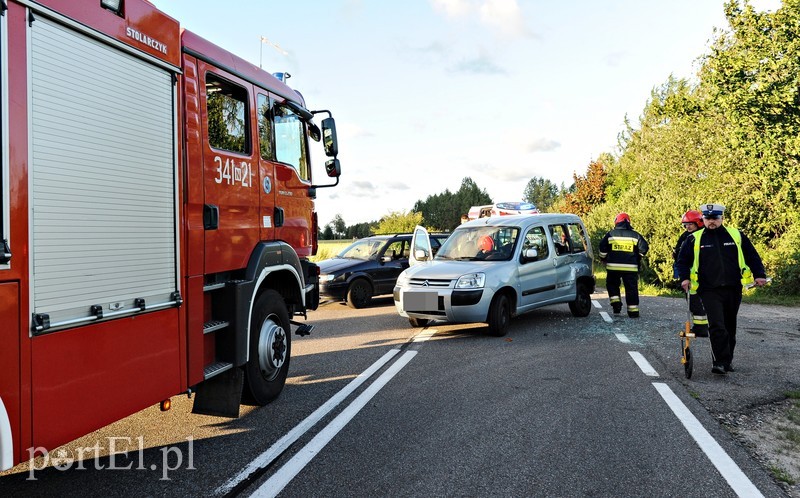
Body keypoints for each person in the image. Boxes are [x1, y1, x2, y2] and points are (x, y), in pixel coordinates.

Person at [676, 203, 767, 375]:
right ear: (703, 219)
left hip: (733, 288)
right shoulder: (694, 239)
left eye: (715, 218)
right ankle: (719, 362)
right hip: (708, 289)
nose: (712, 221)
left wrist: (759, 274)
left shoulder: (736, 235)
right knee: (717, 325)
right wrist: (684, 278)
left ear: (722, 218)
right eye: (708, 218)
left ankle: (727, 361)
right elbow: (682, 262)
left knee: (729, 326)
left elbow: (752, 255)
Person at [598, 212, 649, 317]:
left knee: (612, 285)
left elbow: (602, 248)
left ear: (616, 222)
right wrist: (637, 256)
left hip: (613, 267)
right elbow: (644, 248)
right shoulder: (635, 235)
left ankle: (616, 304)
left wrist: (603, 258)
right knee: (631, 288)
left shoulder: (610, 234)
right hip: (631, 268)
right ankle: (633, 312)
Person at [673, 210, 709, 337]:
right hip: (689, 275)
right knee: (693, 303)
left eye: (690, 224)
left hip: (701, 276)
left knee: (698, 303)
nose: (687, 227)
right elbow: (679, 254)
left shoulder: (703, 236)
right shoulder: (685, 236)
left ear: (698, 223)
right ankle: (701, 327)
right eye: (685, 224)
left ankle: (702, 328)